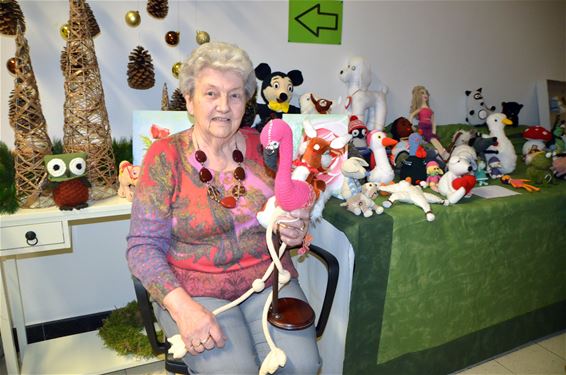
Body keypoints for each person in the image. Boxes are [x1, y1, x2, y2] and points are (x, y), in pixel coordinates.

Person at [126, 41, 321, 374]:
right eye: (211, 94)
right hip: (195, 292)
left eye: (234, 95)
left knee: (302, 366)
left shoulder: (266, 149)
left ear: (246, 102)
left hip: (270, 281)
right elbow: (142, 248)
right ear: (189, 100)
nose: (224, 107)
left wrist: (296, 228)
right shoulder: (165, 156)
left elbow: (291, 213)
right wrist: (182, 308)